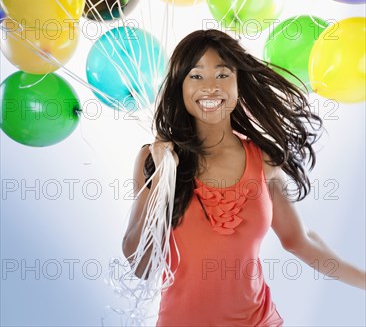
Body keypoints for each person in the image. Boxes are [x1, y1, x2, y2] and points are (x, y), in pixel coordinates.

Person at [122, 29, 366, 326]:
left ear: (238, 85)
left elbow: (299, 241)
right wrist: (163, 178)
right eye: (196, 76)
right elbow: (140, 264)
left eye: (222, 75)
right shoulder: (153, 160)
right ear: (179, 87)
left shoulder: (263, 160)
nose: (210, 87)